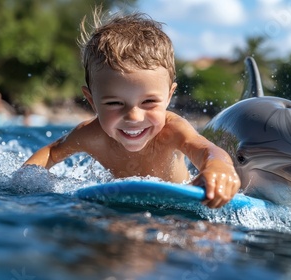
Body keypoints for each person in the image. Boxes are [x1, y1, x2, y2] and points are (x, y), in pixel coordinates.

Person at [22, 9, 240, 208]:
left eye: (149, 102)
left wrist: (219, 169)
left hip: (179, 208)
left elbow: (206, 150)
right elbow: (52, 152)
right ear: (91, 101)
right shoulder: (91, 134)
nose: (134, 117)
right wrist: (26, 179)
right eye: (114, 103)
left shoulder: (173, 130)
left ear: (168, 96)